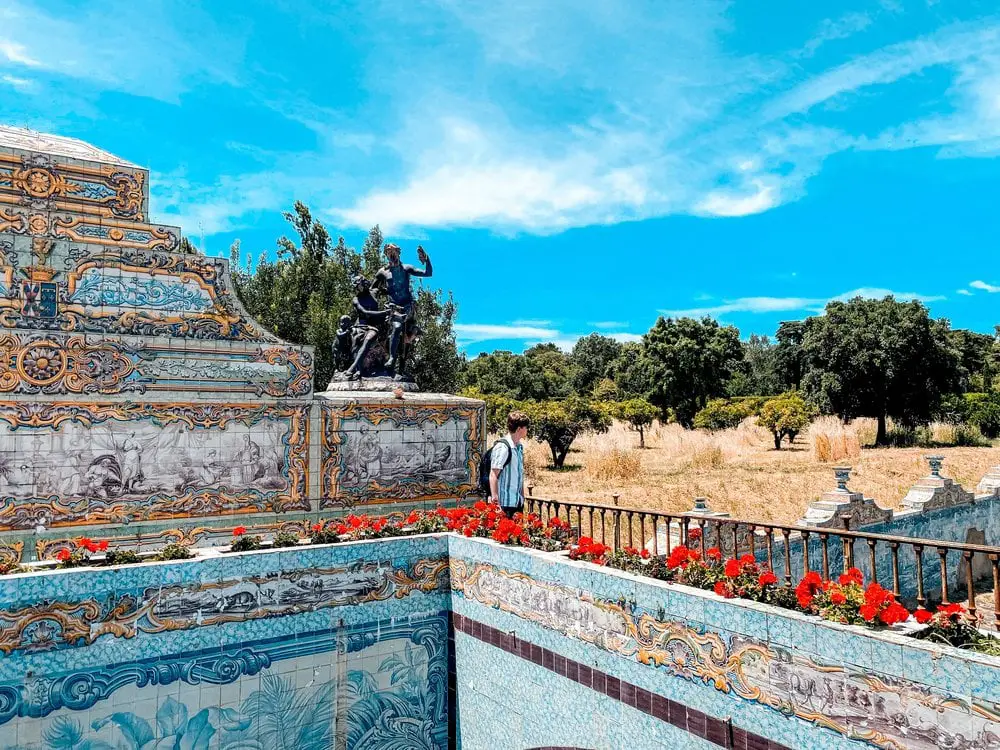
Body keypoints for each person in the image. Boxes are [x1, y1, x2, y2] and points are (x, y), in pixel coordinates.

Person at [370, 243, 431, 374]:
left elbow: (428, 273)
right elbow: (372, 289)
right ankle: (392, 358)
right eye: (388, 252)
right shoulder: (383, 272)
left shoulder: (406, 268)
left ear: (398, 252)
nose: (391, 254)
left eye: (393, 252)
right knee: (397, 327)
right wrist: (380, 293)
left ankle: (402, 368)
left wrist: (426, 259)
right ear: (386, 254)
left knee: (407, 336)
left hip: (407, 306)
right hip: (393, 308)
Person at [489, 410, 529, 518]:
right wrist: (495, 501)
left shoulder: (519, 447)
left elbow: (519, 474)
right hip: (505, 503)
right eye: (526, 427)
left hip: (516, 502)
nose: (527, 430)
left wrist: (522, 497)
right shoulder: (503, 447)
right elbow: (493, 474)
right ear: (519, 429)